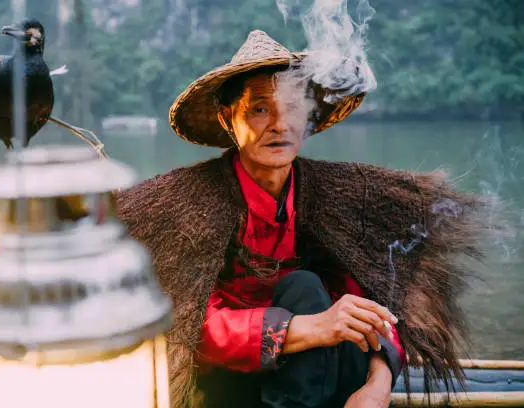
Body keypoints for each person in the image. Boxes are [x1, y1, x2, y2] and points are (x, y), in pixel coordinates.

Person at [116, 30, 485, 408]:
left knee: (307, 286)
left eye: (293, 107)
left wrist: (377, 383)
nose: (279, 124)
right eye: (260, 109)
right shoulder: (189, 202)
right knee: (303, 289)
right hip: (230, 384)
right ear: (229, 117)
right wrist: (302, 329)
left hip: (324, 376)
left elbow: (374, 302)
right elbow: (191, 326)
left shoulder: (335, 195)